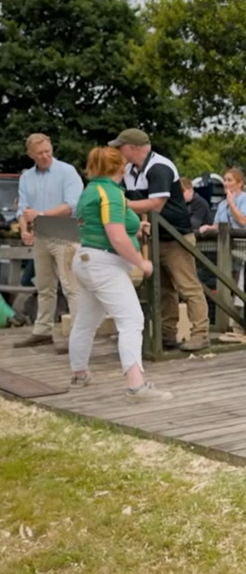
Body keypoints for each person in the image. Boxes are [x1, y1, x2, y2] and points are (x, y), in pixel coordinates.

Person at [68, 146, 171, 401]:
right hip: (104, 263)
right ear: (119, 167)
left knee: (86, 321)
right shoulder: (111, 193)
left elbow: (99, 226)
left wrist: (134, 230)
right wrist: (141, 262)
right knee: (132, 320)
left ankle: (79, 374)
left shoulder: (90, 189)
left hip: (86, 259)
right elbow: (115, 236)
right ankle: (136, 385)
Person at [111, 128, 210, 353]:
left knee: (188, 286)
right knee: (164, 289)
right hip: (154, 237)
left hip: (176, 237)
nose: (118, 151)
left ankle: (201, 334)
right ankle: (167, 334)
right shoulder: (130, 170)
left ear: (132, 148)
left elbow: (156, 205)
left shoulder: (160, 167)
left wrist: (120, 205)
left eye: (120, 147)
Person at [16, 133, 83, 351]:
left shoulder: (67, 171)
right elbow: (23, 209)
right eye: (39, 153)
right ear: (30, 155)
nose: (45, 156)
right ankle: (42, 330)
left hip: (65, 232)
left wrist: (41, 215)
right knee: (44, 286)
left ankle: (77, 335)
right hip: (41, 235)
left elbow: (72, 204)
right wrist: (25, 230)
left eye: (47, 151)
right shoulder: (26, 177)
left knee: (71, 285)